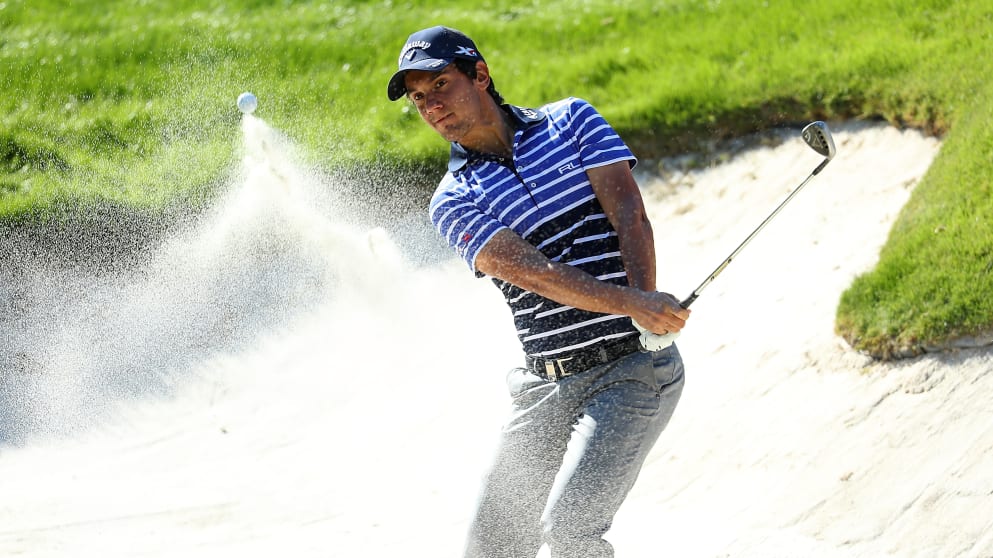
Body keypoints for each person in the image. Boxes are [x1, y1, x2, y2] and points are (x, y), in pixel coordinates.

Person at [386, 26, 691, 558]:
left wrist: (645, 315)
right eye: (418, 98)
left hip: (633, 371)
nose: (431, 106)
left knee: (571, 534)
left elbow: (628, 213)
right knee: (492, 547)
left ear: (479, 75)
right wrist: (637, 304)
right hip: (545, 384)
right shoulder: (452, 200)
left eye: (440, 85)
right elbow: (536, 273)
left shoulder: (572, 120)